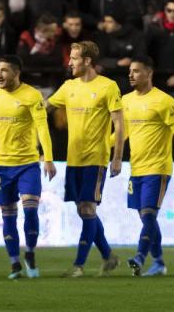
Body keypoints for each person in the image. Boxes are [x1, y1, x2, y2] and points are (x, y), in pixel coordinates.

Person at [47, 41, 124, 277]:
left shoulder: (108, 87)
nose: (69, 62)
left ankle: (79, 265)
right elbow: (44, 107)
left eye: (74, 58)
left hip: (96, 158)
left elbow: (119, 124)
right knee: (84, 210)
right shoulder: (68, 87)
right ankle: (108, 255)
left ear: (87, 60)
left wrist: (117, 158)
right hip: (74, 159)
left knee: (88, 207)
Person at [0, 56, 56, 279]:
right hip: (2, 165)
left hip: (27, 164)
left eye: (4, 70)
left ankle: (30, 253)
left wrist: (48, 158)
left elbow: (42, 128)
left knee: (31, 209)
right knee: (8, 215)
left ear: (16, 73)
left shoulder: (32, 95)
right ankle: (14, 263)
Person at [121, 55, 174, 277]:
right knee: (146, 217)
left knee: (149, 214)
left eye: (136, 71)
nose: (131, 74)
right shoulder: (126, 101)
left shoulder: (164, 101)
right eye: (130, 71)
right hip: (136, 168)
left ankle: (140, 256)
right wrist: (102, 145)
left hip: (158, 168)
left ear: (149, 73)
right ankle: (159, 262)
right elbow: (125, 133)